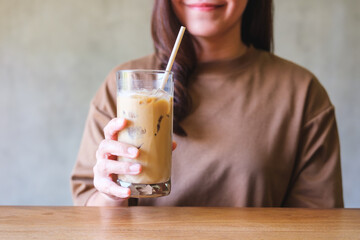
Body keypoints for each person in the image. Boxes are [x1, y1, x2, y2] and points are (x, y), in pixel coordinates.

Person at [71, 0, 344, 207]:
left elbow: (318, 221)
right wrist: (110, 195)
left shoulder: (302, 93)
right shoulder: (123, 89)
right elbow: (86, 208)